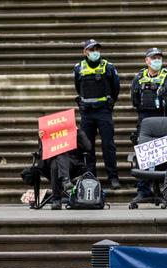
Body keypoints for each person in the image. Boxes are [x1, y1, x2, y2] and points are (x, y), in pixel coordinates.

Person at [131, 47, 167, 201]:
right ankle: (143, 189)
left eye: (159, 58)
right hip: (145, 121)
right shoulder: (139, 78)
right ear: (146, 61)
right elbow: (134, 100)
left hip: (165, 120)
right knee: (144, 154)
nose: (157, 61)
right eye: (153, 58)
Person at [73, 39, 120, 189]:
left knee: (108, 146)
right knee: (87, 147)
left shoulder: (108, 67)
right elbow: (78, 87)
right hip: (87, 113)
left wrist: (109, 103)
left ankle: (113, 177)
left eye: (97, 49)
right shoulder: (78, 68)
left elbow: (116, 88)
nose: (95, 52)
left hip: (103, 111)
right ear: (85, 52)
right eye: (91, 49)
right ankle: (90, 176)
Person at [38, 129, 92, 210]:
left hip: (72, 164)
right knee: (58, 154)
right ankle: (66, 180)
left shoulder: (75, 132)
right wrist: (41, 139)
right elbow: (42, 153)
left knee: (56, 163)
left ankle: (56, 200)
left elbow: (88, 147)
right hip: (50, 162)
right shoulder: (47, 133)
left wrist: (78, 132)